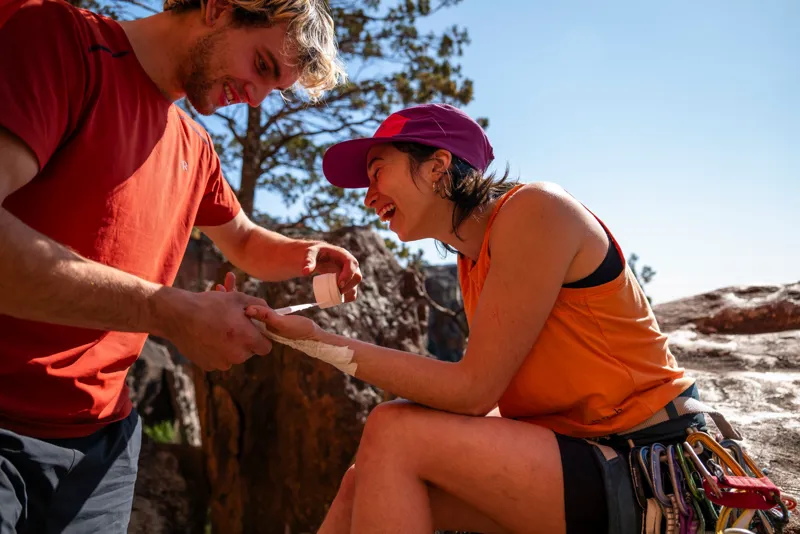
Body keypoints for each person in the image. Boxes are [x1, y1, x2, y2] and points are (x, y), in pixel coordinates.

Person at [247, 103, 708, 534]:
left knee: (393, 431)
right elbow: (487, 398)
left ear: (437, 167)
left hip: (651, 466)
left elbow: (471, 392)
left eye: (377, 173)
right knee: (360, 480)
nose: (368, 197)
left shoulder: (536, 211)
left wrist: (317, 341)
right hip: (591, 458)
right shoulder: (474, 261)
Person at [0, 0, 361, 532]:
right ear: (217, 7)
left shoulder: (194, 144)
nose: (257, 100)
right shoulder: (63, 43)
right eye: (262, 66)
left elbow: (243, 240)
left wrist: (307, 256)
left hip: (103, 453)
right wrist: (169, 312)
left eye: (274, 88)